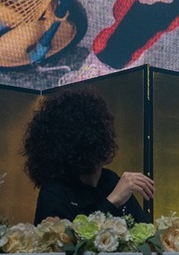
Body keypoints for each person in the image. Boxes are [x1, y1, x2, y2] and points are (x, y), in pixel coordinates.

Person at [23, 88, 153, 223]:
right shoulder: (55, 193)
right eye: (104, 130)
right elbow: (71, 236)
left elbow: (145, 230)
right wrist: (113, 201)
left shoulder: (111, 181)